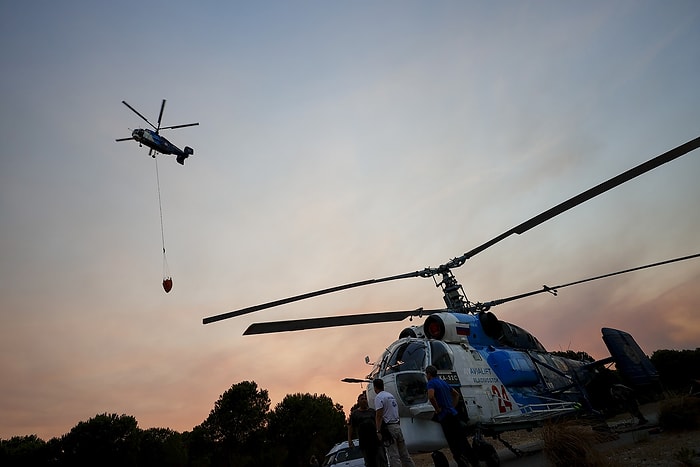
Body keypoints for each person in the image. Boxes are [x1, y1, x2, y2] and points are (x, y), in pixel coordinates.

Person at [425, 365, 478, 467]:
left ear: (429, 374)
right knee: (462, 439)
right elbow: (456, 394)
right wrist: (452, 406)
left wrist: (437, 409)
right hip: (453, 413)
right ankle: (474, 461)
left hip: (444, 416)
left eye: (426, 374)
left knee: (453, 442)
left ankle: (462, 463)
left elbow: (431, 396)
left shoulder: (431, 383)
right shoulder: (443, 382)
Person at [373, 378, 415, 467]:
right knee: (404, 454)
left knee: (393, 455)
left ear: (375, 387)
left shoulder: (379, 397)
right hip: (397, 425)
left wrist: (378, 430)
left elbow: (379, 415)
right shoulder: (390, 396)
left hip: (389, 428)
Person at [348, 392, 387, 467]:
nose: (364, 400)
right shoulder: (355, 414)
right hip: (364, 442)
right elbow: (350, 427)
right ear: (358, 401)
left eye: (365, 399)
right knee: (369, 462)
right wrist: (350, 440)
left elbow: (379, 421)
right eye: (362, 399)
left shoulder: (372, 411)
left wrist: (380, 433)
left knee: (381, 460)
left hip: (376, 441)